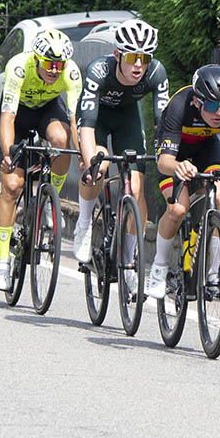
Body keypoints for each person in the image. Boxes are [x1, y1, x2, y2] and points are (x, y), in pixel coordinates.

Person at [144, 64, 220, 300]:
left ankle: (215, 273)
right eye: (212, 106)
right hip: (174, 151)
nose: (219, 113)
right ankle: (158, 270)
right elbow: (163, 163)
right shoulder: (179, 106)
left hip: (206, 148)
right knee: (178, 209)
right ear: (198, 101)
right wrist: (178, 166)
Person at [73, 20, 169, 270]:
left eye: (145, 57)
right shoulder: (99, 70)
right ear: (118, 55)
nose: (139, 64)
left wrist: (167, 154)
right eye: (132, 57)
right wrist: (89, 164)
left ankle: (129, 258)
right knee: (98, 168)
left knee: (137, 190)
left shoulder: (156, 72)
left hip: (127, 119)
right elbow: (87, 125)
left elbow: (163, 125)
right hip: (97, 120)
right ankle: (83, 223)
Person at [0, 28, 83, 290]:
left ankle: (48, 200)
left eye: (60, 64)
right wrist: (9, 153)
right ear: (36, 59)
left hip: (47, 109)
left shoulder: (70, 72)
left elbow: (75, 122)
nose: (56, 70)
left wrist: (84, 159)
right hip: (18, 114)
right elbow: (7, 117)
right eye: (50, 64)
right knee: (11, 186)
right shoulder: (19, 67)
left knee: (61, 140)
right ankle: (2, 264)